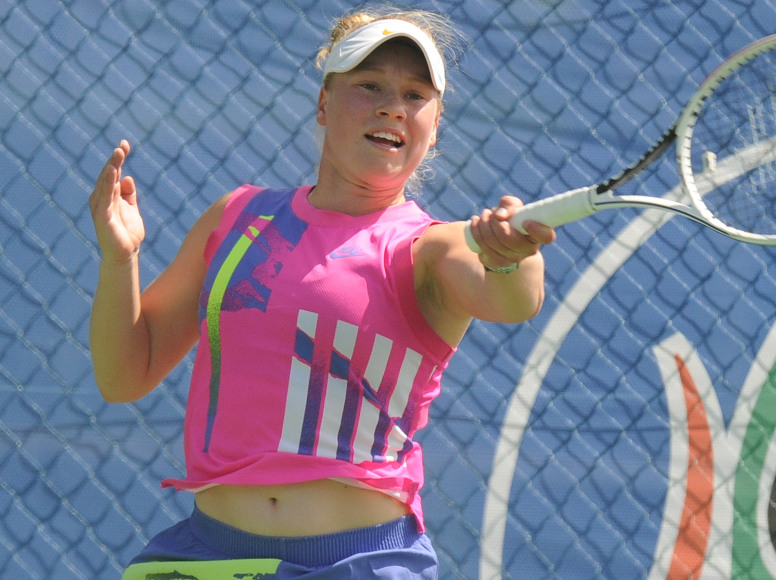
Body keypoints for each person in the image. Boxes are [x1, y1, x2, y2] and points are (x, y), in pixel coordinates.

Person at [89, 8, 554, 579]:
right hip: (207, 554)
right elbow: (124, 375)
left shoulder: (432, 247)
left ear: (433, 126)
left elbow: (513, 301)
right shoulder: (238, 216)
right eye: (370, 85)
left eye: (415, 95)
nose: (393, 107)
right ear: (323, 103)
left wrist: (513, 257)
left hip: (357, 563)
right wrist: (121, 259)